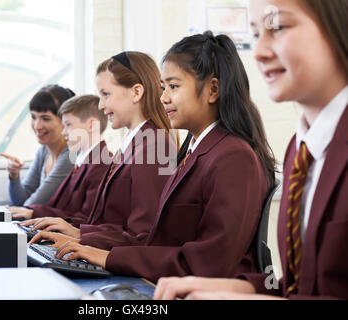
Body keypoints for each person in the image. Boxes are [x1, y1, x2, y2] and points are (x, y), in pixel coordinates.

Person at [39, 32, 276, 283]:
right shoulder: (195, 149)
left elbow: (209, 262)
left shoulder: (233, 157)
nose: (163, 97)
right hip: (167, 278)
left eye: (173, 87)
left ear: (212, 90)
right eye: (163, 87)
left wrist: (103, 253)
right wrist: (87, 242)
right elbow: (160, 238)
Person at [153, 0, 348, 300]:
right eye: (257, 34)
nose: (258, 52)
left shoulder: (239, 154)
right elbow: (310, 287)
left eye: (278, 27)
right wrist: (245, 288)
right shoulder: (301, 147)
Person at [28, 51, 177, 249]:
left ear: (136, 92)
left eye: (106, 94)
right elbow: (111, 221)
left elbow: (144, 235)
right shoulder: (133, 143)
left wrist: (82, 237)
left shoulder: (155, 145)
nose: (101, 105)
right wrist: (78, 232)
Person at [9, 94, 112, 228]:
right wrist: (32, 212)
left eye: (68, 125)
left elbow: (87, 219)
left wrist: (34, 213)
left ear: (92, 125)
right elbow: (66, 210)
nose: (64, 133)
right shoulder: (82, 161)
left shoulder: (101, 165)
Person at [0, 85, 75, 206]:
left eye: (45, 118)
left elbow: (31, 206)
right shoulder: (44, 151)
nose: (37, 126)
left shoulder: (70, 156)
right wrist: (14, 176)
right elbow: (20, 201)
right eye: (33, 117)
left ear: (65, 120)